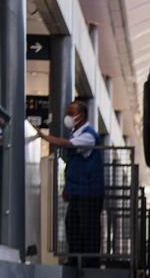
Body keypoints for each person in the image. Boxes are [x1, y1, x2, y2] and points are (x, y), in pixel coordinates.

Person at [38, 100, 104, 258]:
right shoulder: (78, 134)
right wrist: (68, 190)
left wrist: (44, 136)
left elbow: (68, 144)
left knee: (87, 230)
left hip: (89, 193)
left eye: (70, 113)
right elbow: (73, 167)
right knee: (73, 227)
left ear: (80, 116)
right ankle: (76, 261)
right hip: (78, 192)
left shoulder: (89, 136)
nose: (67, 117)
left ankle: (88, 263)